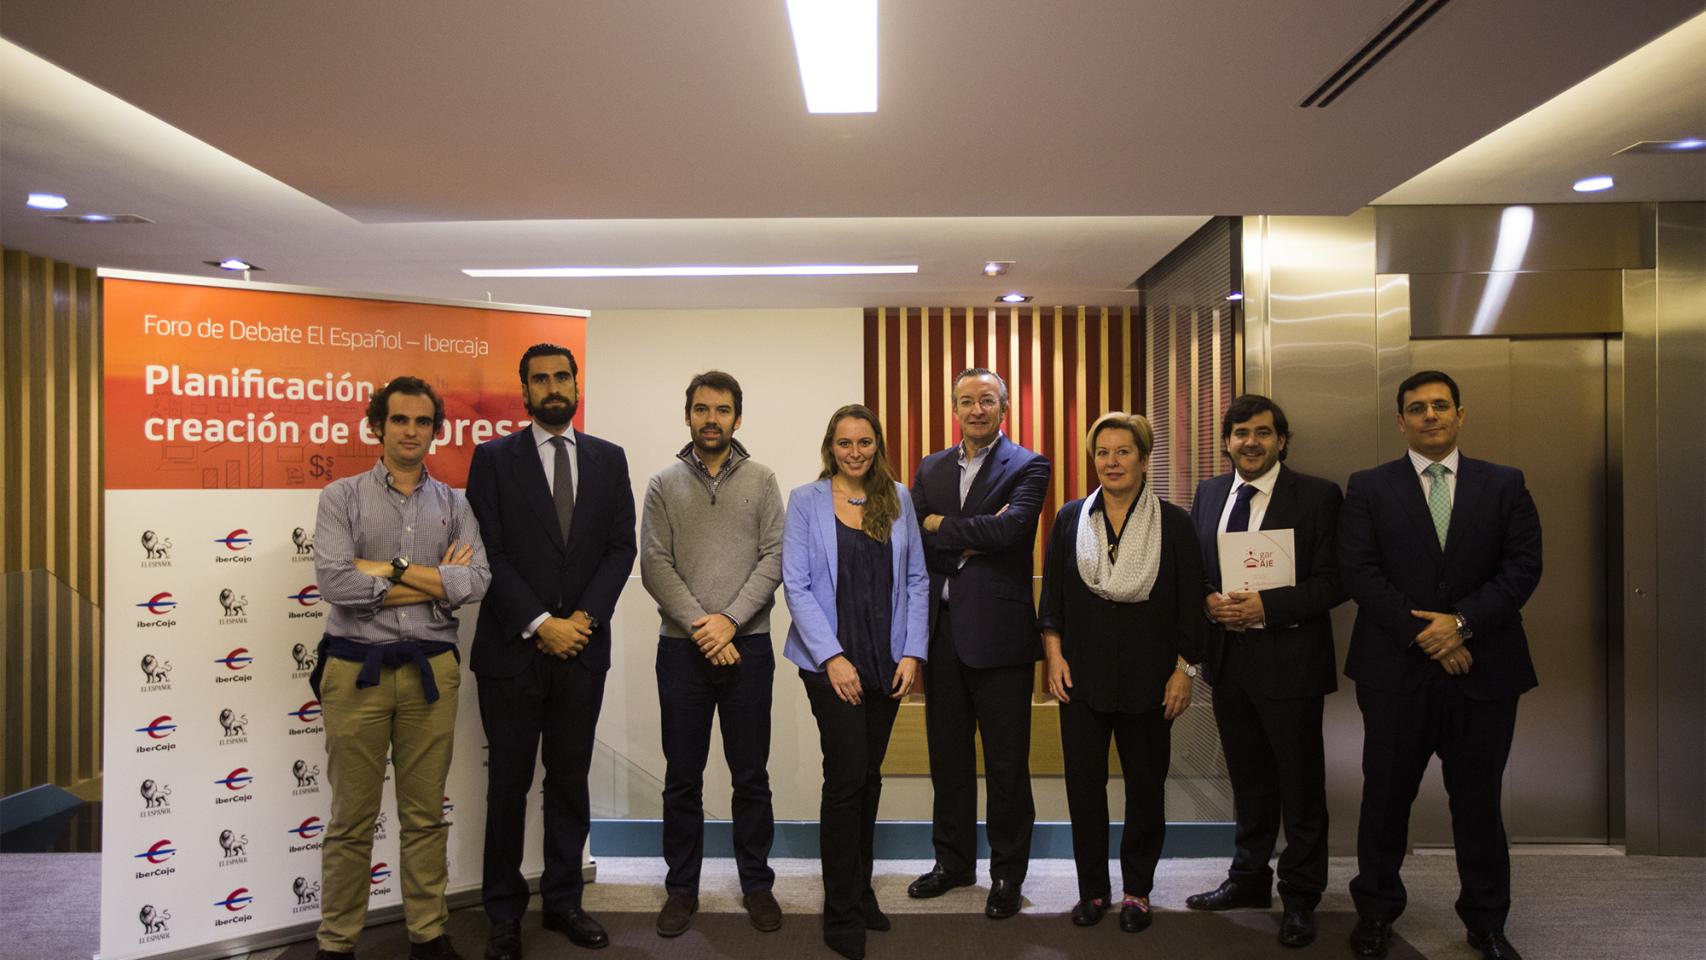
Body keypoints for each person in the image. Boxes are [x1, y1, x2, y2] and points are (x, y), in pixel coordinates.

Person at [1339, 370, 1542, 960]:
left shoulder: (1505, 484)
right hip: (1394, 673)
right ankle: (1375, 913)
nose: (1430, 416)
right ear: (1400, 421)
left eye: (1440, 406)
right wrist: (1427, 633)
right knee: (1385, 799)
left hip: (1486, 670)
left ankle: (1486, 923)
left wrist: (1462, 624)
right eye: (1417, 408)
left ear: (1459, 415)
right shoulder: (1369, 487)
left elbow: (1523, 568)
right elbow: (1359, 572)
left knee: (1478, 802)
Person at [465, 344, 638, 957]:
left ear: (576, 383)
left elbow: (622, 548)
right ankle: (505, 916)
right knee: (508, 787)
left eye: (561, 376)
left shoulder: (608, 459)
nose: (552, 387)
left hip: (582, 652)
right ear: (525, 391)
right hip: (513, 654)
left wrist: (582, 620)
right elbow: (490, 551)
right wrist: (541, 622)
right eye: (540, 379)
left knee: (569, 784)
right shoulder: (491, 460)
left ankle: (565, 903)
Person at [311, 376, 490, 960]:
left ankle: (429, 936)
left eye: (422, 422)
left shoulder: (456, 504)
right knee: (350, 819)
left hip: (430, 673)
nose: (411, 431)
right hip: (354, 670)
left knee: (423, 815)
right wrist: (430, 580)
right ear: (377, 426)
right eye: (399, 420)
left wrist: (384, 569)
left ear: (436, 431)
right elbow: (336, 581)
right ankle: (336, 943)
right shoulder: (342, 496)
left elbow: (474, 582)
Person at [1185, 394, 1345, 949]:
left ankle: (1300, 898)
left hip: (1291, 663)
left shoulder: (1319, 497)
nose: (1250, 442)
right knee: (1249, 784)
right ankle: (1249, 879)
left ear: (1281, 440)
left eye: (1262, 432)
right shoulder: (1207, 494)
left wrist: (1268, 607)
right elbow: (1196, 570)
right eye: (1239, 433)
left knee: (1300, 788)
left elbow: (1335, 581)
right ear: (1226, 441)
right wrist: (1207, 600)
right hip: (1229, 663)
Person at [1037, 412, 1205, 934]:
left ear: (1143, 456)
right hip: (1080, 679)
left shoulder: (1174, 523)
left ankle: (1137, 892)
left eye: (1123, 451)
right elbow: (1054, 600)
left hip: (1151, 681)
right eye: (1103, 453)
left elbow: (1191, 606)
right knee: (1083, 789)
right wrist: (1054, 654)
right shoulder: (1071, 518)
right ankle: (1092, 890)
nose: (1112, 462)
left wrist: (1185, 670)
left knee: (1145, 790)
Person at [639, 371, 786, 937]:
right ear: (687, 416)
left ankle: (757, 885)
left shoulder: (763, 480)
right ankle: (681, 890)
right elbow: (654, 564)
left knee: (750, 775)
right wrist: (704, 628)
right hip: (682, 652)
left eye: (722, 410)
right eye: (701, 409)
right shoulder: (662, 484)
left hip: (748, 647)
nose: (711, 419)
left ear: (737, 418)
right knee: (682, 776)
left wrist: (728, 623)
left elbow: (774, 558)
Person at [782, 404, 929, 960]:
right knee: (845, 780)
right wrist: (833, 658)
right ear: (830, 446)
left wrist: (913, 652)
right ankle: (839, 909)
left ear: (877, 445)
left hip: (886, 663)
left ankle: (860, 888)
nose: (855, 452)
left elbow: (917, 579)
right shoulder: (806, 501)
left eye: (864, 442)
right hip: (831, 667)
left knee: (868, 777)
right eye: (844, 443)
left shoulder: (899, 498)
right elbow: (796, 587)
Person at [906, 368, 1051, 919]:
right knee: (948, 759)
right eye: (966, 401)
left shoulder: (1029, 464)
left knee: (1007, 764)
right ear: (954, 408)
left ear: (1003, 408)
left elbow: (1012, 532)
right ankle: (953, 863)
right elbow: (917, 530)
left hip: (1002, 639)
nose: (976, 410)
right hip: (941, 636)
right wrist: (967, 529)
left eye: (986, 401)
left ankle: (1007, 874)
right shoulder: (930, 466)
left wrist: (947, 526)